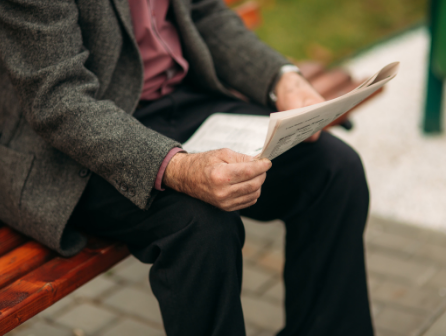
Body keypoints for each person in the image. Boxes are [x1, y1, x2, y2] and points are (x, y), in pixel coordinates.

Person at [0, 0, 374, 335]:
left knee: (334, 169)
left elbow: (203, 13)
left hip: (181, 100)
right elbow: (58, 98)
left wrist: (282, 79)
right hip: (77, 145)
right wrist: (181, 168)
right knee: (201, 225)